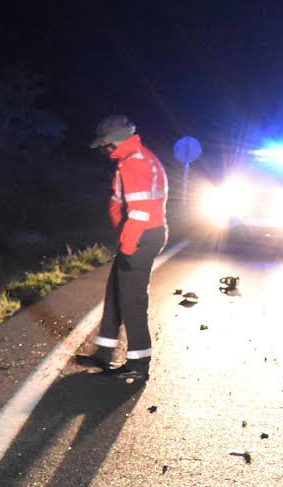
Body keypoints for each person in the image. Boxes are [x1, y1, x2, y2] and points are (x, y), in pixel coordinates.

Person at [75, 114, 169, 383]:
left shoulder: (134, 164)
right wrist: (121, 228)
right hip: (139, 234)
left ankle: (139, 364)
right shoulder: (132, 159)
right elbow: (122, 202)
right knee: (116, 293)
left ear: (114, 141)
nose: (104, 151)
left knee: (132, 301)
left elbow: (139, 212)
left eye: (105, 145)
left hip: (140, 237)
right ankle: (104, 353)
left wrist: (127, 245)